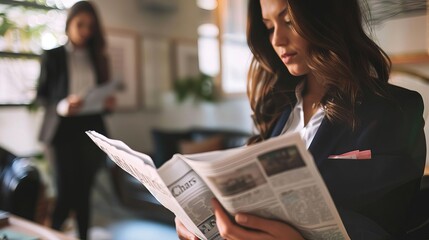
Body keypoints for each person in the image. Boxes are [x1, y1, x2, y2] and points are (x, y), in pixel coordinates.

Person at [176, 0, 426, 239]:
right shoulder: (276, 110)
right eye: (270, 27)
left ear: (327, 17)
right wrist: (197, 219)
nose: (277, 40)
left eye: (289, 22)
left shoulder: (394, 110)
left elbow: (386, 228)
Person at [36, 1, 115, 239]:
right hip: (61, 131)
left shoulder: (99, 58)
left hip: (91, 129)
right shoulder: (53, 56)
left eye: (90, 26)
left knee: (84, 194)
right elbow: (41, 96)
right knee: (65, 195)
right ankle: (49, 236)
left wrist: (108, 104)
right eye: (80, 24)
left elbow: (102, 95)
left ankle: (83, 236)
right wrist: (62, 105)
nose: (85, 31)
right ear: (69, 23)